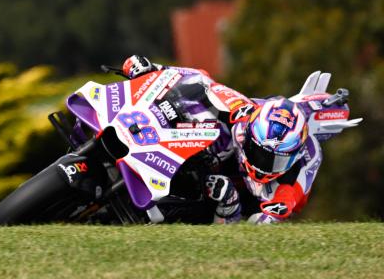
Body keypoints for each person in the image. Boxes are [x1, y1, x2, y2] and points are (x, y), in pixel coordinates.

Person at [120, 55, 360, 224]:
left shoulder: (309, 156)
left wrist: (270, 215)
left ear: (294, 154)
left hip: (247, 199)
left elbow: (287, 200)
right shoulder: (246, 116)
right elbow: (202, 80)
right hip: (222, 160)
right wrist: (154, 70)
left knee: (226, 194)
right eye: (258, 153)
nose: (261, 164)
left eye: (273, 160)